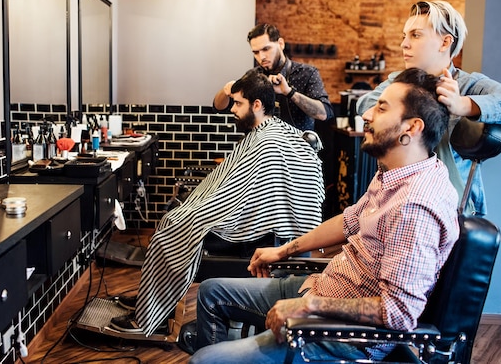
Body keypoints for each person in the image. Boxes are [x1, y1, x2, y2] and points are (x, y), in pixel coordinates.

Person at [189, 68, 460, 363]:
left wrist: (309, 307)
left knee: (203, 361)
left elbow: (398, 312)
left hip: (337, 337)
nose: (367, 115)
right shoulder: (393, 173)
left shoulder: (415, 205)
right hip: (321, 286)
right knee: (211, 292)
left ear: (412, 127)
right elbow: (348, 221)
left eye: (381, 108)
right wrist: (284, 250)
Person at [112, 71, 326, 336]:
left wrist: (190, 214)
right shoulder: (277, 134)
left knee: (169, 230)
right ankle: (153, 303)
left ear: (256, 105)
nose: (233, 109)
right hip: (268, 232)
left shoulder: (267, 142)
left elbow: (236, 199)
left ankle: (148, 316)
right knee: (174, 223)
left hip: (252, 237)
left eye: (237, 103)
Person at [357, 0, 501, 217]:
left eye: (415, 35)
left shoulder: (469, 85)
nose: (404, 44)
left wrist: (463, 105)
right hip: (395, 198)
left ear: (445, 42)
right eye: (404, 36)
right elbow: (365, 104)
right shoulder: (398, 84)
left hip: (449, 207)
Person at [213, 23, 333, 131]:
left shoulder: (307, 73)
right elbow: (218, 108)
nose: (262, 57)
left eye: (266, 49)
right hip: (263, 149)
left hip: (298, 152)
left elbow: (324, 114)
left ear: (280, 44)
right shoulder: (254, 76)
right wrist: (226, 91)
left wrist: (289, 92)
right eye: (256, 52)